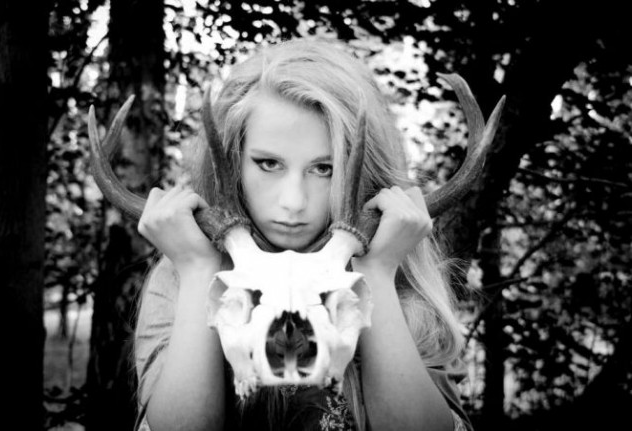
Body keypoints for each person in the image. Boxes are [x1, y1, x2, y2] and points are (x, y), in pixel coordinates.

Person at [133, 38, 473, 431]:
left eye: (324, 169)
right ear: (231, 162)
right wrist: (197, 271)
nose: (293, 202)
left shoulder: (403, 273)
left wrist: (378, 272)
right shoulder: (181, 273)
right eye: (269, 163)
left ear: (362, 170)